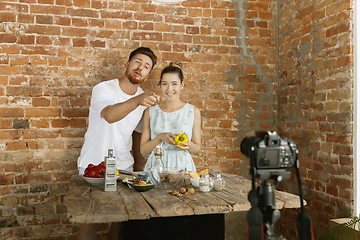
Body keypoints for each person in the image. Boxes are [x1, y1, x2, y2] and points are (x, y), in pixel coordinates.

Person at [76, 47, 158, 240]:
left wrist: (138, 167)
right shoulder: (103, 89)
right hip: (93, 165)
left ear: (147, 75)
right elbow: (110, 115)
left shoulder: (143, 99)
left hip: (124, 168)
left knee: (120, 221)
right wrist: (137, 100)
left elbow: (137, 135)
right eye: (137, 62)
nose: (140, 68)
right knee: (90, 220)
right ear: (127, 64)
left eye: (146, 66)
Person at [140, 61, 201, 172]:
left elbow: (197, 149)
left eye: (174, 84)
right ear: (160, 85)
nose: (169, 89)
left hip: (183, 167)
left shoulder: (192, 111)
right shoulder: (151, 112)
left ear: (182, 85)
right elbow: (143, 151)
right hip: (156, 167)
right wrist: (160, 137)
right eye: (164, 84)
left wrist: (189, 145)